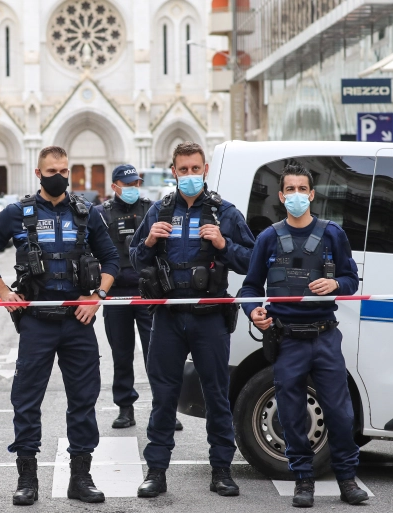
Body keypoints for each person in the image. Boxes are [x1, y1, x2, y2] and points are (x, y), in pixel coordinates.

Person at [0, 146, 120, 506]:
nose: (60, 176)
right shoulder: (17, 213)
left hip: (77, 320)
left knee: (83, 402)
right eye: (52, 170)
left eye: (64, 170)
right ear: (38, 174)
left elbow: (113, 258)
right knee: (26, 402)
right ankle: (27, 478)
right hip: (37, 323)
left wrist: (97, 295)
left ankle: (81, 478)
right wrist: (4, 291)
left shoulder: (86, 213)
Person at [129, 141, 255, 498]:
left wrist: (222, 245)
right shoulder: (159, 211)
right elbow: (136, 261)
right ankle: (156, 472)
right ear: (173, 171)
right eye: (182, 170)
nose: (189, 176)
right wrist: (150, 241)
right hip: (168, 317)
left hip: (209, 318)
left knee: (216, 394)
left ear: (205, 170)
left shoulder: (223, 213)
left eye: (194, 169)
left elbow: (251, 262)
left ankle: (221, 470)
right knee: (164, 397)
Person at [240, 164, 369, 508]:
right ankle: (303, 480)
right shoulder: (268, 237)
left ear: (311, 194)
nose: (296, 195)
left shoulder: (332, 235)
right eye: (290, 190)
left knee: (341, 414)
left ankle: (346, 479)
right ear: (281, 196)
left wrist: (335, 284)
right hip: (288, 340)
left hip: (325, 337)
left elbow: (351, 279)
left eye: (302, 189)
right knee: (292, 414)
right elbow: (250, 287)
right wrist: (254, 311)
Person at [94, 165, 183, 431]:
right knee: (121, 355)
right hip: (116, 295)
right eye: (127, 183)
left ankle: (165, 408)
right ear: (115, 186)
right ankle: (125, 408)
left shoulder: (150, 209)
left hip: (148, 294)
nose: (133, 188)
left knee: (156, 354)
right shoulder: (101, 214)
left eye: (136, 183)